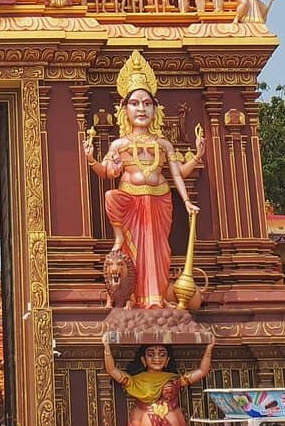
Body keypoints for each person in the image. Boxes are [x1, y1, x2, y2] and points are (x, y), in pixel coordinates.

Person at [83, 51, 204, 308]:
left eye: (147, 104)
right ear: (124, 110)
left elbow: (177, 174)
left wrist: (187, 199)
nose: (141, 109)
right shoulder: (119, 144)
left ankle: (156, 298)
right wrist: (92, 160)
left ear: (155, 109)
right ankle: (131, 297)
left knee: (159, 253)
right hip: (131, 203)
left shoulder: (163, 143)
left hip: (160, 201)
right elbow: (108, 172)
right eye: (135, 103)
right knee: (129, 250)